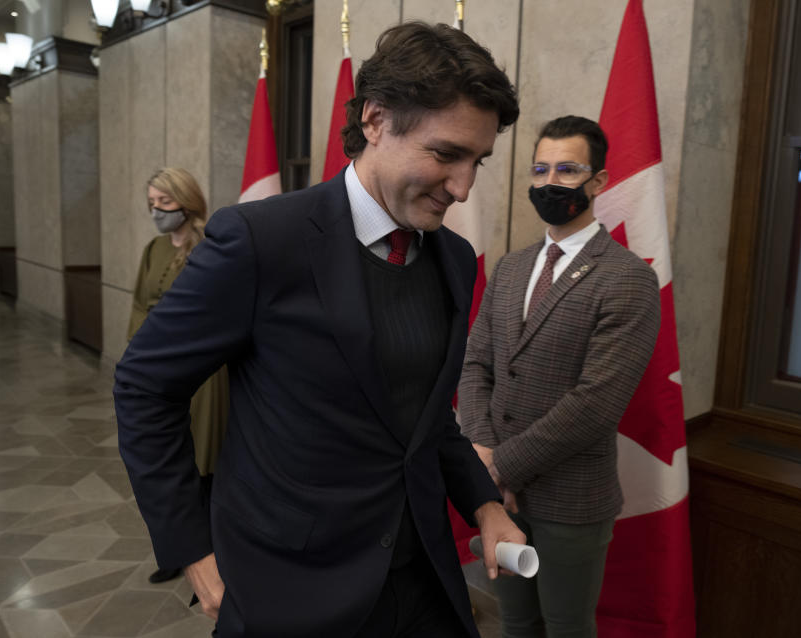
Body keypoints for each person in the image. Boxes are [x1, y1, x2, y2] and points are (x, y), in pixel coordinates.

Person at [115, 22, 524, 638]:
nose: (463, 187)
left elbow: (425, 418)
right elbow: (146, 387)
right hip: (290, 588)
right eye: (446, 154)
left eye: (477, 161)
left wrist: (484, 503)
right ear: (376, 118)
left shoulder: (455, 260)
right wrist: (190, 549)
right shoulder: (259, 241)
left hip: (423, 584)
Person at [458, 115, 661, 638]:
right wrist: (480, 445)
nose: (551, 182)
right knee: (516, 620)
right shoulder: (510, 267)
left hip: (570, 498)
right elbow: (476, 362)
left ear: (599, 181)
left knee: (567, 625)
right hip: (498, 491)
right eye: (540, 168)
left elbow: (595, 404)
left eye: (568, 169)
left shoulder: (628, 278)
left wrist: (499, 466)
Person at [127, 167, 230, 584]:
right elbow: (138, 305)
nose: (157, 212)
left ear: (187, 203)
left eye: (164, 203)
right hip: (158, 369)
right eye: (152, 204)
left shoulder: (211, 249)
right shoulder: (153, 249)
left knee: (202, 459)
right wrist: (138, 357)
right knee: (165, 455)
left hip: (203, 373)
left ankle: (210, 550)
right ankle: (177, 548)